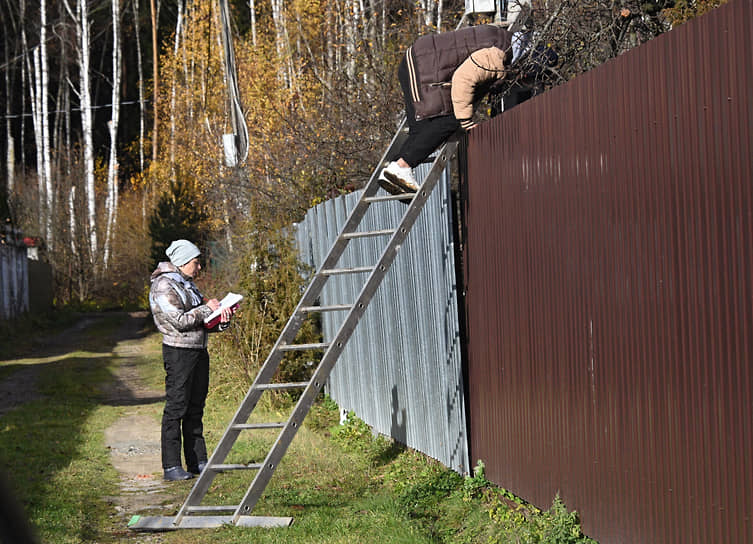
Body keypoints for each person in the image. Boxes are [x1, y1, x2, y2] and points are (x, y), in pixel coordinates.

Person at [379, 23, 513, 195]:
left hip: (416, 62)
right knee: (450, 121)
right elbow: (463, 79)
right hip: (423, 68)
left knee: (422, 128)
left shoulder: (502, 40)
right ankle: (402, 166)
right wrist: (466, 121)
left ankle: (395, 168)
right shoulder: (497, 56)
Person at [149, 239, 235, 481]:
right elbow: (180, 321)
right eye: (196, 263)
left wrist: (222, 318)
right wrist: (208, 308)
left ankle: (198, 460)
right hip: (178, 353)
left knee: (196, 407)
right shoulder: (163, 286)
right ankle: (171, 465)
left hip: (198, 350)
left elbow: (201, 322)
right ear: (182, 261)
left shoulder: (187, 284)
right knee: (177, 407)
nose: (199, 268)